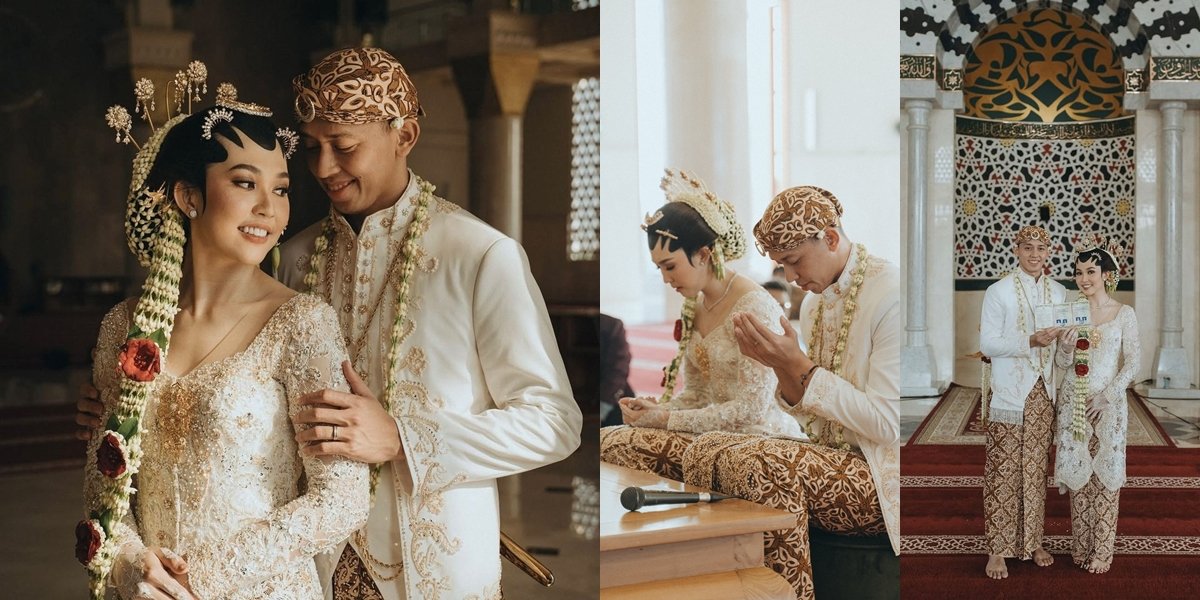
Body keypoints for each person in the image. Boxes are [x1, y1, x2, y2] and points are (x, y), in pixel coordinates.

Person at [79, 73, 369, 600]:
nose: (269, 207)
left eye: (280, 188)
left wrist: (202, 580)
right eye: (244, 182)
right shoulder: (125, 326)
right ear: (188, 195)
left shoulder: (303, 324)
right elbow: (107, 487)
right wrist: (132, 569)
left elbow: (342, 498)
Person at [731, 185, 901, 564]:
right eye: (782, 266)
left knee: (764, 465)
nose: (790, 276)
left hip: (882, 471)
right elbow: (813, 418)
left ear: (831, 238)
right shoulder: (812, 306)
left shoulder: (890, 293)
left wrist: (799, 366)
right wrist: (778, 363)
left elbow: (890, 425)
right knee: (719, 451)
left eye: (794, 261)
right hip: (827, 456)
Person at [611, 170, 803, 436]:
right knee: (617, 439)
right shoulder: (694, 306)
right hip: (710, 436)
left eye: (670, 266)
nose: (666, 279)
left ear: (703, 254)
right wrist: (655, 411)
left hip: (759, 438)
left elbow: (752, 409)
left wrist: (665, 419)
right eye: (659, 269)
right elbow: (697, 396)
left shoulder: (754, 307)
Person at [977, 224, 1066, 579]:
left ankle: (1032, 541)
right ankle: (997, 549)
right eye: (1027, 248)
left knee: (1034, 468)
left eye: (1040, 249)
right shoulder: (998, 292)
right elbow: (988, 344)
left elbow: (1062, 347)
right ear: (1016, 250)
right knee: (1003, 468)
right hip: (1011, 393)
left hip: (1044, 392)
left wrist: (1070, 343)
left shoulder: (1060, 293)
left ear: (1049, 253)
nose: (1034, 255)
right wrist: (1030, 339)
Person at [1053, 242, 1139, 574]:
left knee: (1105, 476)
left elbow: (1133, 364)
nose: (1084, 278)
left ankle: (1101, 550)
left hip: (1109, 404)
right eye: (1078, 272)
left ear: (1106, 275)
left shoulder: (1124, 313)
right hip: (1074, 402)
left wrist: (1108, 396)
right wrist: (1064, 345)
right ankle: (1081, 545)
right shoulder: (1072, 312)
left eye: (1091, 272)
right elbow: (1062, 364)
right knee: (1079, 476)